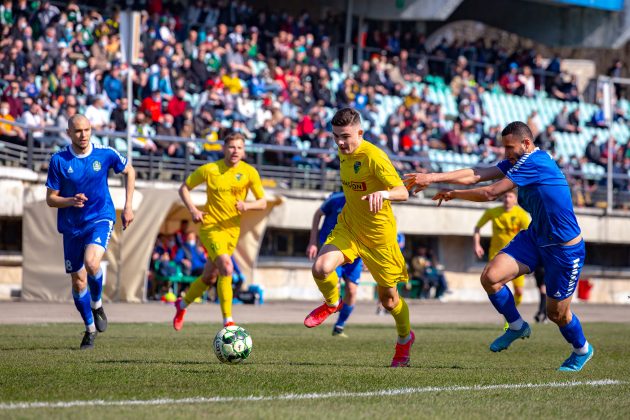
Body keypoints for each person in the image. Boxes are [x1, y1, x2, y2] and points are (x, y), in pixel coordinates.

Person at [404, 121, 593, 371]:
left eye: (509, 147)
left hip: (564, 249)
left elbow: (490, 192)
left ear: (526, 144)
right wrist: (432, 177)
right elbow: (477, 173)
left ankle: (582, 350)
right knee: (491, 277)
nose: (506, 153)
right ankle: (516, 326)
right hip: (537, 238)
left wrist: (454, 194)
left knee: (556, 314)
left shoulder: (534, 162)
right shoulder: (520, 161)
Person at [304, 108, 413, 367]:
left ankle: (404, 338)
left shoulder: (374, 156)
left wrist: (384, 195)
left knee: (389, 300)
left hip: (379, 238)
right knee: (320, 268)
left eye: (345, 136)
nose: (340, 143)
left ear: (360, 132)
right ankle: (332, 302)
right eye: (336, 137)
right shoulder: (344, 153)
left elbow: (402, 192)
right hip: (350, 229)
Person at [45, 114, 135, 349]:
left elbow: (130, 172)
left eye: (86, 130)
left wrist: (127, 206)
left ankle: (97, 305)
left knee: (92, 263)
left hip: (100, 217)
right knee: (78, 281)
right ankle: (89, 329)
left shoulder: (105, 153)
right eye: (77, 131)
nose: (83, 135)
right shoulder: (59, 160)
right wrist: (70, 200)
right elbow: (51, 200)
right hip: (72, 226)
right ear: (69, 133)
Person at [173, 132, 267, 329]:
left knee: (209, 277)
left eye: (239, 148)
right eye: (231, 147)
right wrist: (193, 210)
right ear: (224, 149)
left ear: (244, 151)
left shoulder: (250, 172)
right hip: (211, 227)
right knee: (227, 266)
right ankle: (228, 320)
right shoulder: (210, 169)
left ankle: (181, 304)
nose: (235, 151)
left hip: (232, 231)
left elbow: (263, 202)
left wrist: (247, 206)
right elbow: (184, 188)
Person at [306, 191, 364, 338]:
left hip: (355, 252)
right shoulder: (336, 199)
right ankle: (332, 303)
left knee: (352, 290)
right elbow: (317, 214)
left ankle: (339, 326)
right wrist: (313, 242)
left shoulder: (366, 199)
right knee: (333, 282)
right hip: (333, 249)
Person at [473, 190, 530, 329]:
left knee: (519, 291)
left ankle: (511, 315)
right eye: (504, 196)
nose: (507, 198)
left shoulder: (521, 214)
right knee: (496, 285)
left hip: (516, 257)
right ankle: (511, 319)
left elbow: (530, 234)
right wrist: (477, 244)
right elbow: (477, 227)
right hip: (496, 256)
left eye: (510, 196)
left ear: (515, 199)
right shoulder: (493, 212)